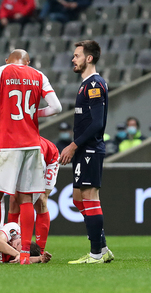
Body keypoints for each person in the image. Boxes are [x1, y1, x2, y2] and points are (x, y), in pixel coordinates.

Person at [0, 49, 62, 265]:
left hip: (7, 145)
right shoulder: (39, 75)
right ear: (28, 62)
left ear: (7, 60)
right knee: (26, 198)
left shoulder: (0, 71)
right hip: (32, 146)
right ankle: (26, 254)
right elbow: (56, 107)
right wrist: (35, 113)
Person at [59, 40, 114, 264]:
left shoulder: (93, 84)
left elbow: (97, 124)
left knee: (90, 197)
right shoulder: (86, 84)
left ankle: (95, 255)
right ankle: (102, 248)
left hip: (89, 148)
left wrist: (73, 145)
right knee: (78, 198)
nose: (73, 59)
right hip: (84, 149)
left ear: (89, 58)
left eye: (77, 55)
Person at [7, 136, 59, 254]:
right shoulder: (10, 148)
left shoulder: (37, 152)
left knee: (40, 200)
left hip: (49, 158)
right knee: (13, 199)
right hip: (23, 157)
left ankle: (39, 251)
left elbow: (30, 197)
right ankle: (12, 244)